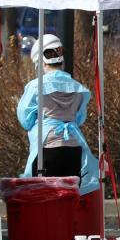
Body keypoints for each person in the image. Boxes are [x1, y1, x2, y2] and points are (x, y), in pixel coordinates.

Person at [17, 34, 98, 190]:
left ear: (40, 62)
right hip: (74, 148)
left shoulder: (35, 86)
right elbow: (80, 119)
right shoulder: (77, 88)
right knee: (69, 196)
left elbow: (25, 118)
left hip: (47, 148)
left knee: (45, 197)